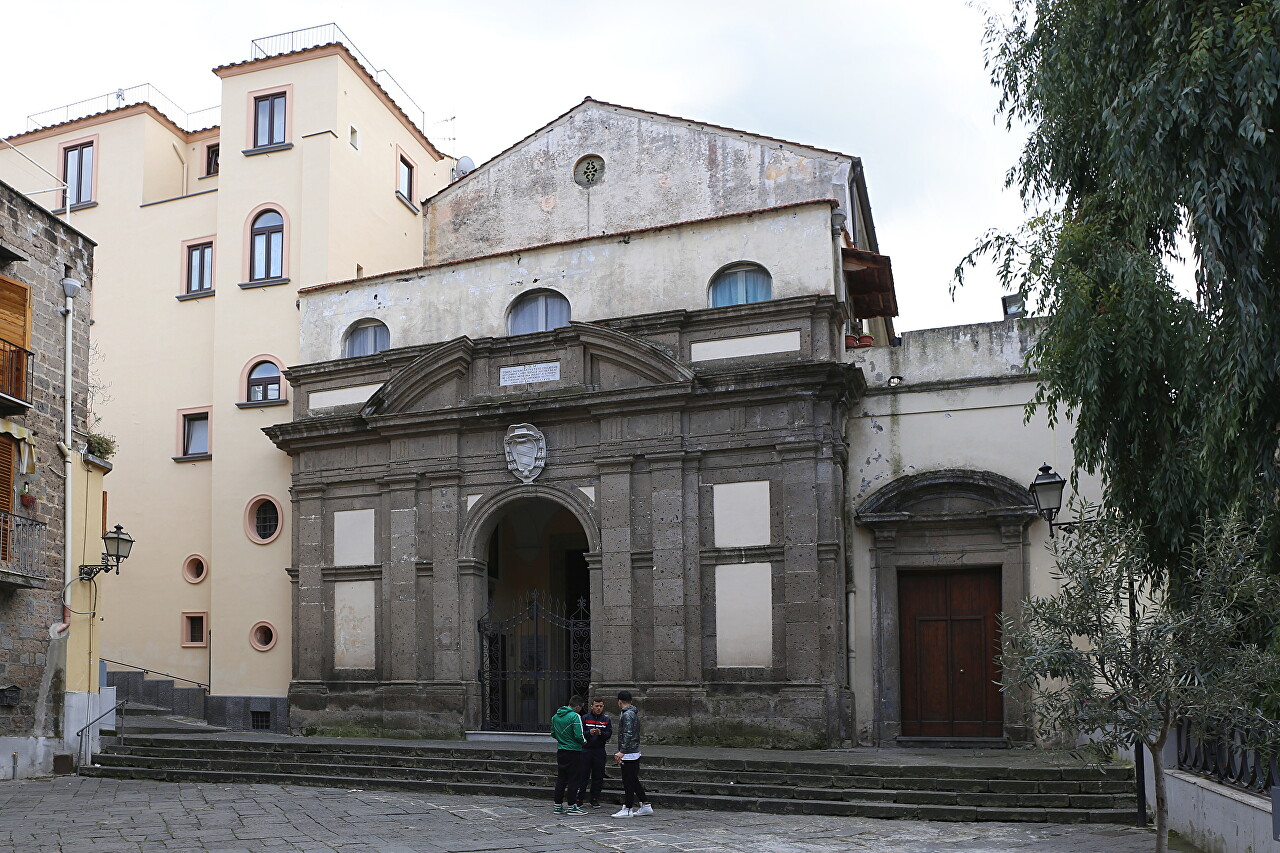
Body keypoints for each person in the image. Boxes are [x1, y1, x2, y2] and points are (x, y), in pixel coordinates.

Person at [612, 690, 653, 817]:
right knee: (633, 780)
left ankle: (628, 808)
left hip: (629, 752)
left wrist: (621, 751)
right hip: (632, 751)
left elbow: (628, 733)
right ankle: (645, 805)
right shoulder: (631, 713)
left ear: (619, 701)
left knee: (628, 781)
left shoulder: (627, 715)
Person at [551, 695, 588, 815]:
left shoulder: (555, 717)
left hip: (561, 750)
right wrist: (584, 742)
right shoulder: (575, 716)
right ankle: (572, 805)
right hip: (574, 751)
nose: (581, 710)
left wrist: (562, 740)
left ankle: (558, 805)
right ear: (577, 706)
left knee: (561, 778)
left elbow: (553, 733)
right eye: (581, 707)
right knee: (573, 779)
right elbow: (579, 735)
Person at [573, 698, 612, 809]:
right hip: (586, 750)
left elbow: (609, 733)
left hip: (599, 750)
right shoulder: (584, 718)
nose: (599, 708)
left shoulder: (606, 720)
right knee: (583, 775)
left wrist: (601, 733)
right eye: (596, 706)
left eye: (601, 706)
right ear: (591, 706)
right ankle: (579, 798)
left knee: (598, 776)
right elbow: (580, 733)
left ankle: (594, 798)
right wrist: (589, 733)